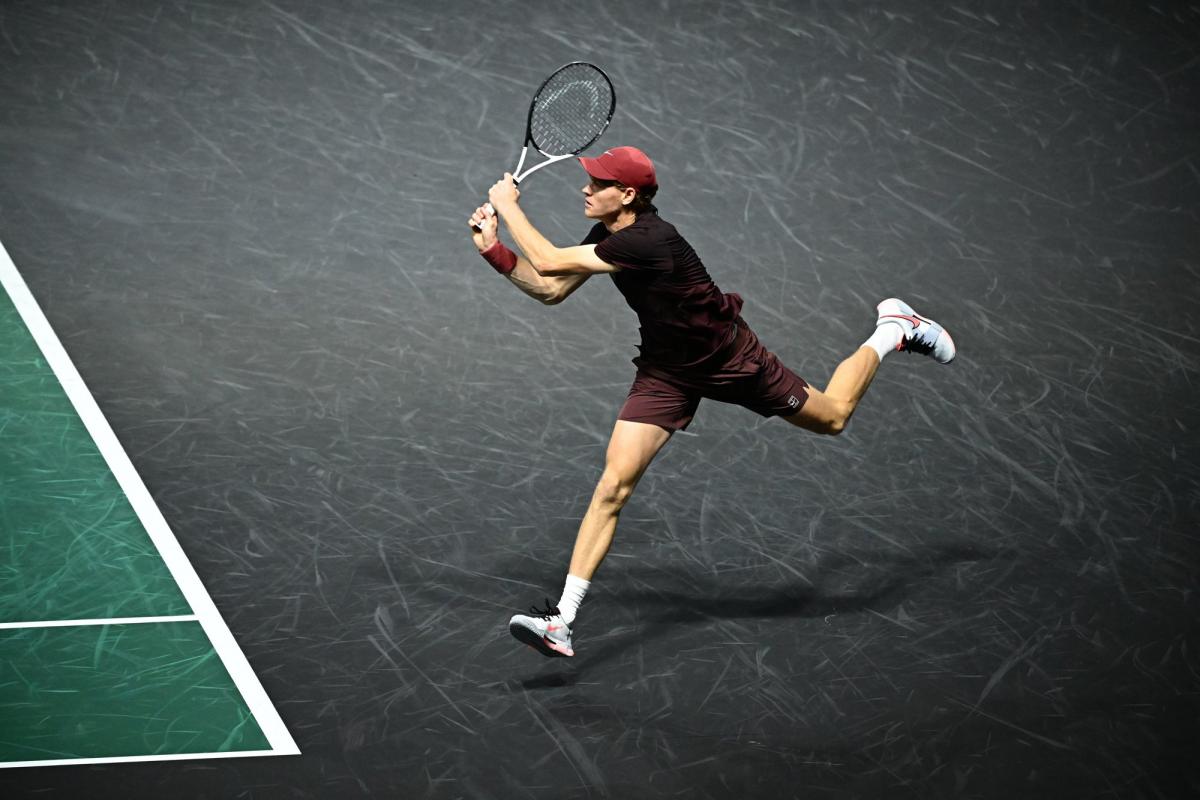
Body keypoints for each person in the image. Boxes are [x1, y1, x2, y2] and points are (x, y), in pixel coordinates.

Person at [467, 146, 955, 658]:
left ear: (627, 195)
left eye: (598, 184)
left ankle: (893, 329)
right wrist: (494, 250)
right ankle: (562, 621)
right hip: (666, 372)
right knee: (613, 486)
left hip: (729, 360)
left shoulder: (651, 239)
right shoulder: (608, 235)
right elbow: (550, 288)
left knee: (833, 417)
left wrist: (510, 205)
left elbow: (547, 258)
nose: (585, 190)